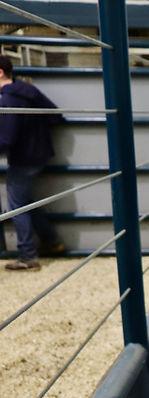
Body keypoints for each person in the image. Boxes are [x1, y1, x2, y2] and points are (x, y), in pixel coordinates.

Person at [0, 54, 65, 271]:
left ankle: (28, 257)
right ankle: (52, 242)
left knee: (17, 206)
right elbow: (56, 116)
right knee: (26, 202)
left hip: (23, 159)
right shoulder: (28, 90)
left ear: (0, 73)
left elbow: (7, 138)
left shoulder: (8, 99)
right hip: (40, 154)